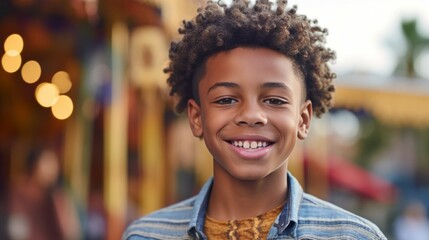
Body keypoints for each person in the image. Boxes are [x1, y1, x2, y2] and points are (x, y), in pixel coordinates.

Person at [123, 0, 387, 239]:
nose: (251, 116)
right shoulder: (146, 235)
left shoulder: (354, 236)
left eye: (274, 100)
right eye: (226, 99)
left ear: (303, 119)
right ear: (197, 117)